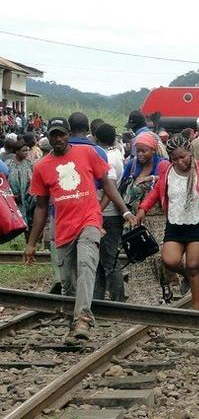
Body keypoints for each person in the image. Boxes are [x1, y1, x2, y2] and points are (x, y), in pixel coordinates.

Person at [24, 118, 136, 344]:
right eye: (53, 135)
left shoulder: (87, 154)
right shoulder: (42, 167)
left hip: (89, 220)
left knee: (87, 266)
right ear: (48, 135)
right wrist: (31, 242)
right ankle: (73, 325)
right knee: (67, 283)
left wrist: (125, 211)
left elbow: (107, 184)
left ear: (68, 134)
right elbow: (42, 206)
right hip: (64, 227)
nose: (58, 139)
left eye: (61, 134)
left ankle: (83, 318)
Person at [135, 135, 199, 310]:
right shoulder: (166, 169)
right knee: (169, 260)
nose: (179, 162)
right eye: (174, 158)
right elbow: (157, 191)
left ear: (190, 153)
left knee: (194, 264)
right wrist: (143, 208)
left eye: (182, 157)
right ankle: (190, 277)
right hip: (176, 223)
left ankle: (196, 308)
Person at [94, 123, 127, 302]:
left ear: (96, 138)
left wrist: (97, 211)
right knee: (102, 261)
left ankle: (118, 300)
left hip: (107, 214)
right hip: (111, 213)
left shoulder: (105, 157)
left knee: (109, 261)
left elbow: (109, 187)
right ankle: (98, 299)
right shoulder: (117, 155)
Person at [119, 133, 166, 214]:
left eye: (143, 151)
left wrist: (151, 178)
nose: (140, 154)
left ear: (153, 150)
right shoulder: (132, 164)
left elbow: (168, 180)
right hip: (133, 214)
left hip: (156, 216)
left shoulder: (162, 165)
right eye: (138, 151)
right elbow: (122, 184)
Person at [6, 140, 35, 235]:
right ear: (17, 151)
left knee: (29, 222)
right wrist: (11, 196)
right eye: (24, 151)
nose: (26, 153)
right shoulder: (8, 164)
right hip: (13, 200)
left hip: (28, 200)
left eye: (27, 150)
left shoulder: (29, 164)